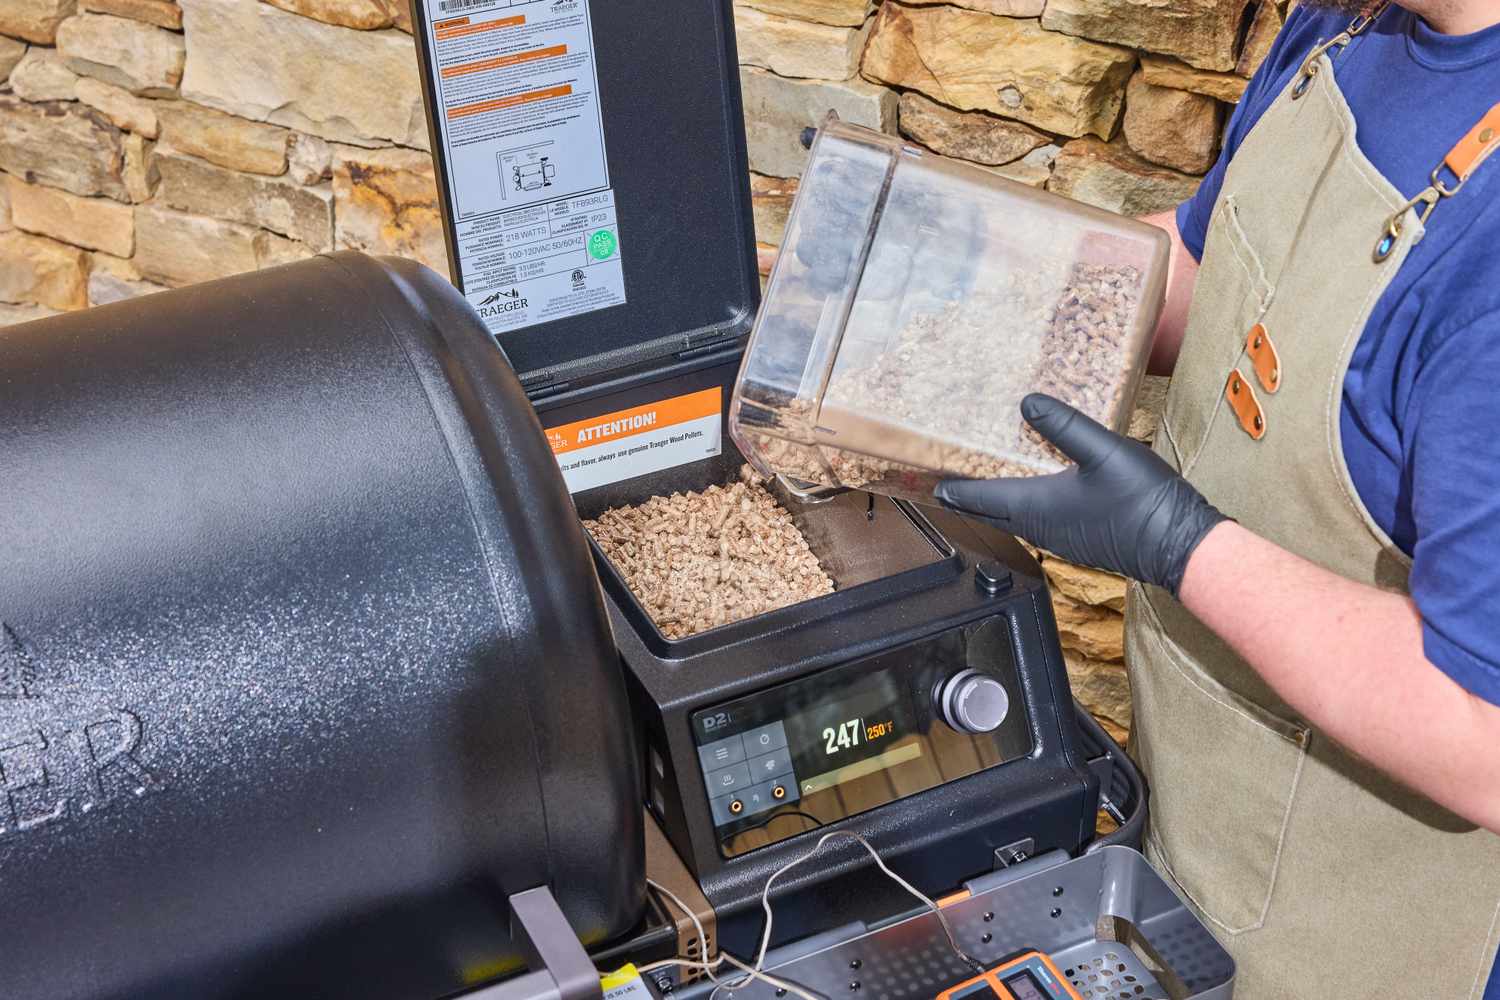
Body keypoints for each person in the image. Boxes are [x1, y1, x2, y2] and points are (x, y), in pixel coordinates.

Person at [937, 0, 1500, 996]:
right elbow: (1216, 261)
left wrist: (1179, 544)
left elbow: (1481, 732)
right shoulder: (1347, 25)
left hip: (1344, 937)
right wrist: (974, 308)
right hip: (1187, 827)